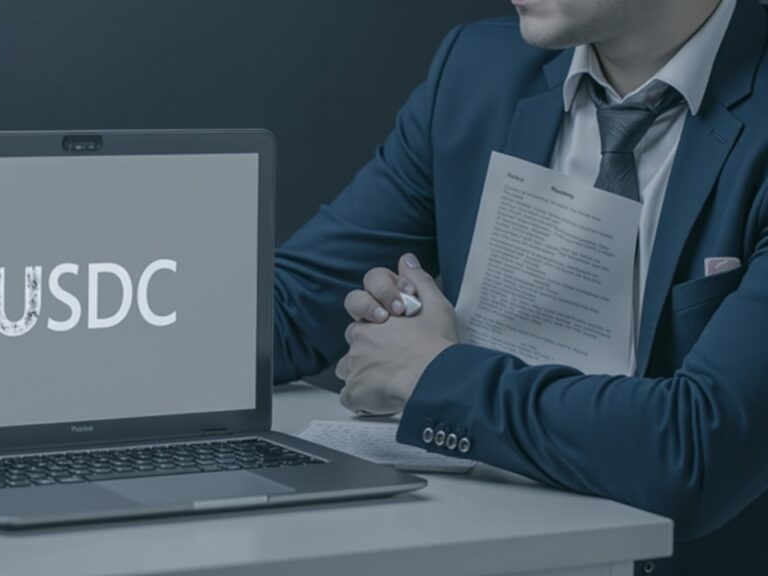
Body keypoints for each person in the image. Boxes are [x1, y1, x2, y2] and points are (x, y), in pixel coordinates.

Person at [272, 0, 768, 574]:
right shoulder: (479, 70)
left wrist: (433, 374)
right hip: (463, 546)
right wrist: (147, 308)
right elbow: (292, 307)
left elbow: (698, 453)